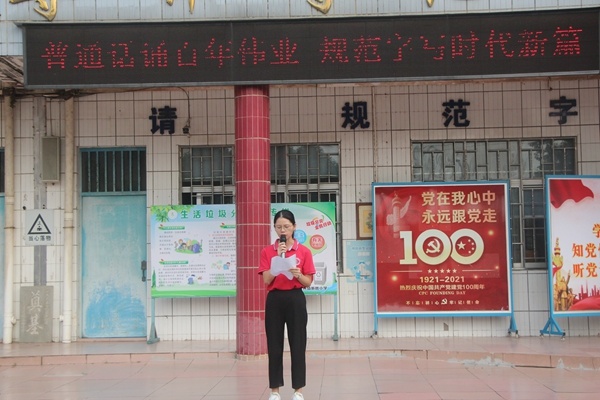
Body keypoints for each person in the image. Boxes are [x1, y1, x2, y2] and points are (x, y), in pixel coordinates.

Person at [258, 210, 316, 400]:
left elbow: (308, 282)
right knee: (274, 345)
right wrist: (277, 260)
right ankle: (275, 391)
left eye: (286, 226)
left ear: (294, 227)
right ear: (274, 228)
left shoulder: (304, 251)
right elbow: (266, 280)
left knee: (298, 344)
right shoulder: (267, 251)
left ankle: (298, 390)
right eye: (279, 227)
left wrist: (298, 274)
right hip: (275, 299)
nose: (283, 230)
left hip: (295, 298)